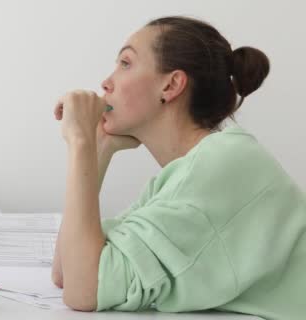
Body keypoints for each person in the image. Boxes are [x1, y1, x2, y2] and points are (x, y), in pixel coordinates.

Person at [51, 16, 305, 320]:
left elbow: (84, 290)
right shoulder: (182, 177)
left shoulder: (222, 164)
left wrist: (80, 142)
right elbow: (68, 270)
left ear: (171, 85)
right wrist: (99, 148)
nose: (107, 82)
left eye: (126, 63)